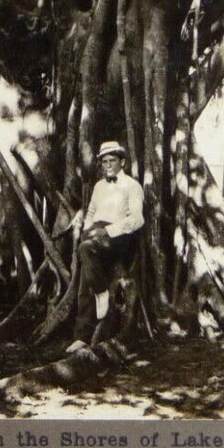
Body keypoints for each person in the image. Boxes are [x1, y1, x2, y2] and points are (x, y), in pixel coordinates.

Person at [67, 140, 144, 353]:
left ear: (122, 162)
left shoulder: (132, 186)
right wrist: (89, 228)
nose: (108, 165)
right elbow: (91, 211)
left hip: (120, 237)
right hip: (97, 237)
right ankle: (82, 336)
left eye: (112, 160)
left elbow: (137, 220)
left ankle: (102, 294)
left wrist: (108, 231)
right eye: (104, 162)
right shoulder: (99, 187)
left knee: (85, 249)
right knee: (84, 279)